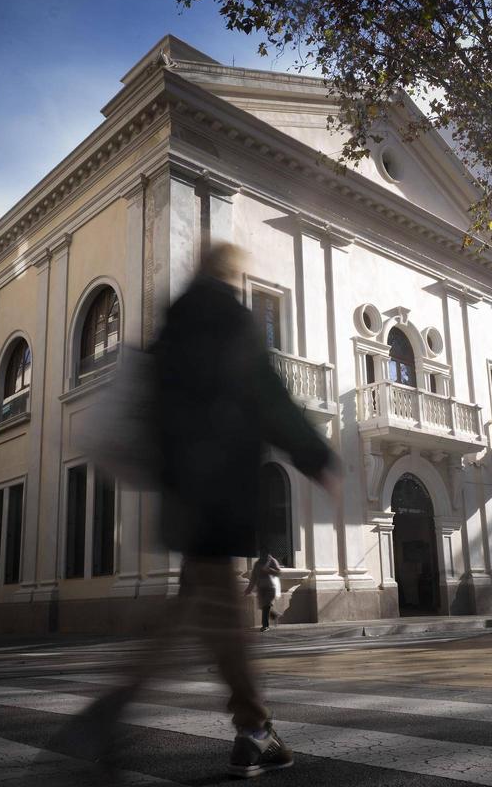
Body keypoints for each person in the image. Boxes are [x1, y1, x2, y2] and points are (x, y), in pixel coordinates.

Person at [153, 242, 341, 778]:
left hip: (183, 487)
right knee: (217, 614)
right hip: (220, 484)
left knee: (201, 604)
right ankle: (251, 729)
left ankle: (253, 728)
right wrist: (316, 455)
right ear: (232, 276)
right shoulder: (229, 318)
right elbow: (265, 392)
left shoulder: (175, 320)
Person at [246, 551, 283, 631]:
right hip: (261, 587)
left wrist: (269, 570)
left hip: (270, 587)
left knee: (266, 606)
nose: (263, 555)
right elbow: (253, 577)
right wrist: (249, 589)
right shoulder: (257, 563)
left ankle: (265, 626)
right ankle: (274, 615)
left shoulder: (272, 561)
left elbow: (279, 572)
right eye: (262, 553)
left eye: (265, 553)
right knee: (264, 606)